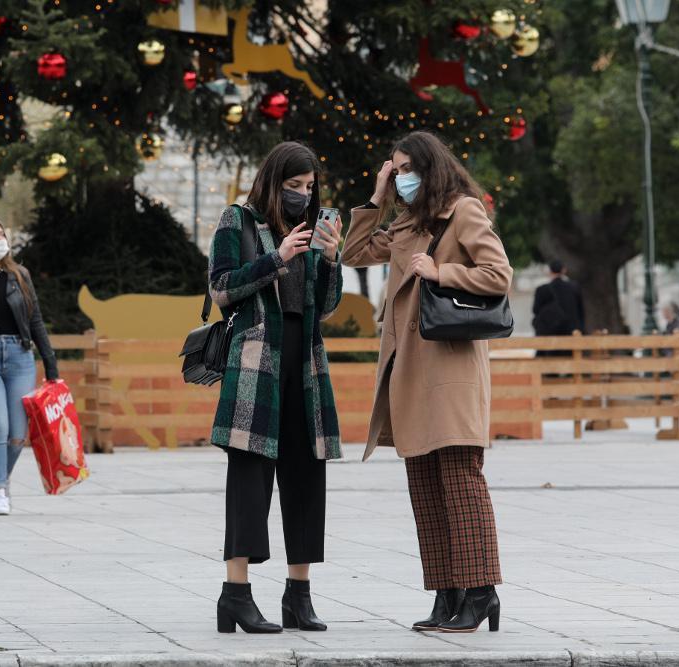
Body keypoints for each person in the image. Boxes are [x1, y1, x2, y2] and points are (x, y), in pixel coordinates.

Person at [341, 131, 512, 633]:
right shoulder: (404, 221)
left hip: (452, 370)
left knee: (461, 481)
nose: (402, 179)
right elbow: (352, 253)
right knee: (425, 487)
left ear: (431, 168)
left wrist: (442, 271)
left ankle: (481, 591)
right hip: (410, 369)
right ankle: (446, 592)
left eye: (408, 169)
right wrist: (376, 196)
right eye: (396, 171)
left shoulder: (463, 211)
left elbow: (498, 274)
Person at [208, 141, 343, 634]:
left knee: (307, 475)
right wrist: (276, 258)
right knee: (250, 477)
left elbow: (325, 306)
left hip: (303, 362)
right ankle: (235, 594)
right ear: (272, 182)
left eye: (309, 188)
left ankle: (299, 596)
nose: (302, 196)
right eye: (293, 187)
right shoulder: (237, 221)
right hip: (255, 362)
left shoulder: (315, 228)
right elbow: (220, 288)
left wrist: (330, 260)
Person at [0, 216, 59, 515]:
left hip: (20, 357)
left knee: (19, 433)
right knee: (0, 426)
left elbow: (35, 320)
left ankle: (2, 478)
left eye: (1, 234)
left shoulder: (20, 275)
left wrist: (51, 364)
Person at [532, 260, 585, 336]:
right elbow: (581, 312)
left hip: (548, 333)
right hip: (571, 333)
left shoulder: (542, 290)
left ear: (550, 271)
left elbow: (535, 310)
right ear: (564, 270)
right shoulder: (574, 288)